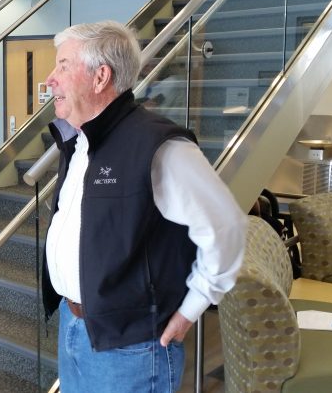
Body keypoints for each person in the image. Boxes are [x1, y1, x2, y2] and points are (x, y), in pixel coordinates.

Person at [41, 21, 246, 392]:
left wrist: (189, 311)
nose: (49, 78)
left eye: (63, 66)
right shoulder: (81, 143)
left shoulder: (158, 145)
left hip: (131, 348)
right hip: (74, 328)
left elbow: (227, 228)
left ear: (100, 76)